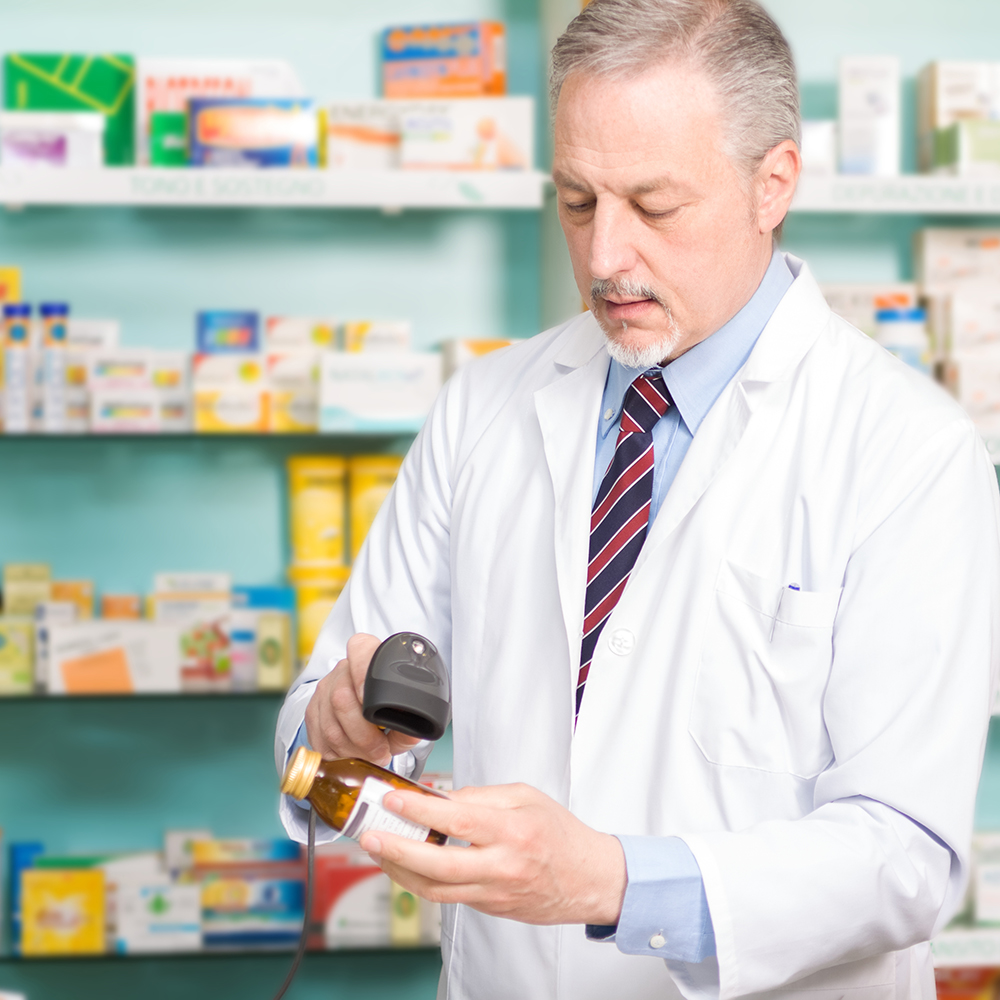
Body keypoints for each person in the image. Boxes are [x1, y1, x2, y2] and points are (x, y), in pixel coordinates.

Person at [276, 0, 1000, 997]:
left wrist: (609, 882)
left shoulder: (904, 453)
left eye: (653, 206)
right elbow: (317, 722)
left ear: (771, 184)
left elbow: (904, 852)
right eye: (577, 201)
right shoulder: (486, 406)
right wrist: (335, 726)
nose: (605, 254)